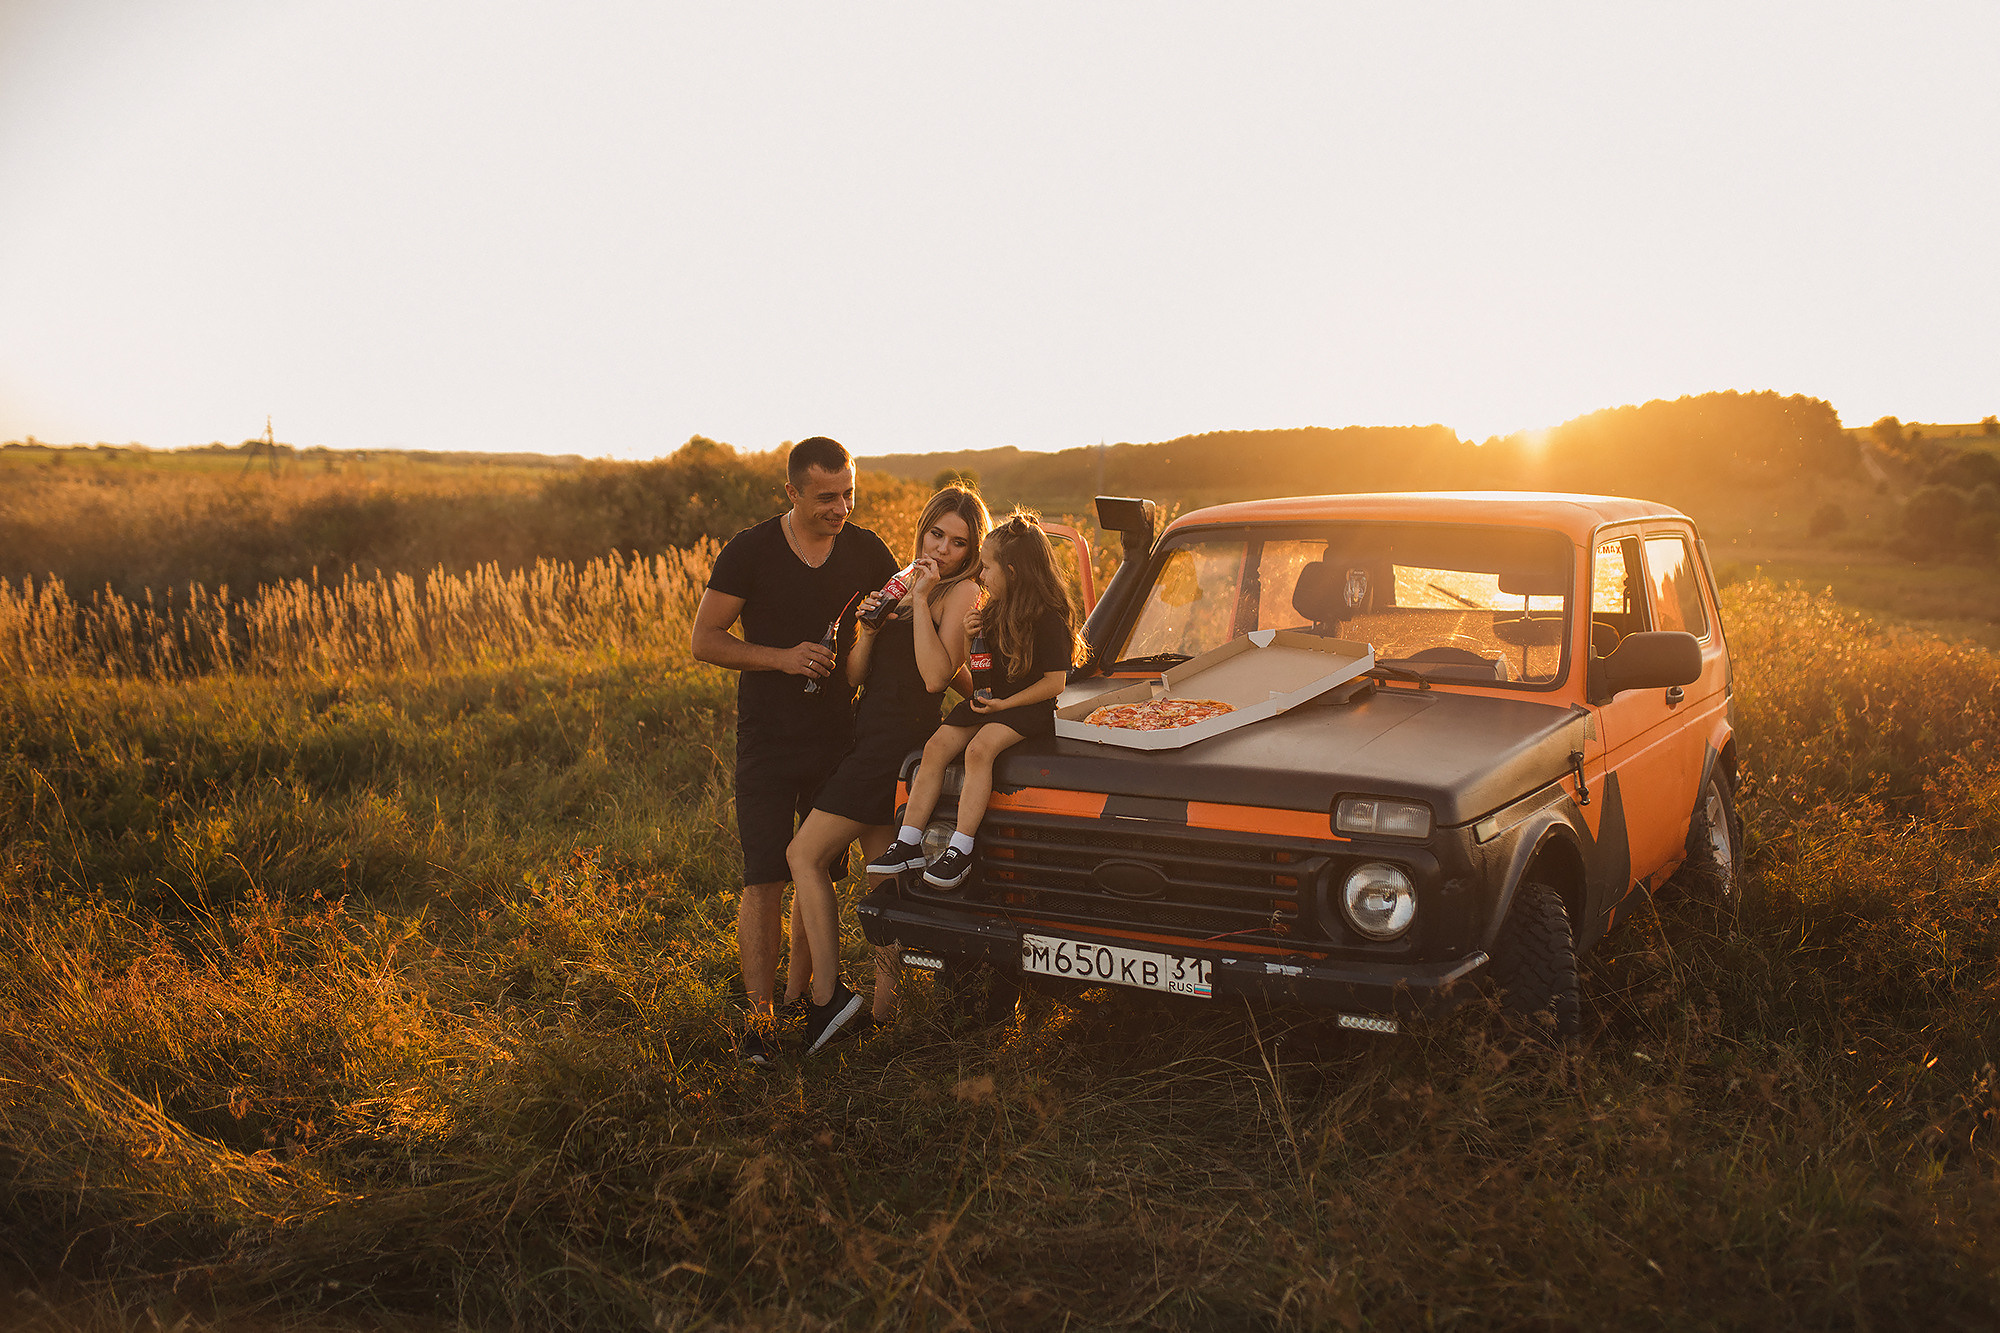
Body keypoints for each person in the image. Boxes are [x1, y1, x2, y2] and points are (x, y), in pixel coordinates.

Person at [691, 437, 899, 1066]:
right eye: (827, 497)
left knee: (820, 874)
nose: (841, 508)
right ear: (792, 492)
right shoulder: (750, 550)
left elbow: (908, 609)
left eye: (849, 494)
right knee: (764, 877)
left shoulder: (866, 551)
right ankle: (759, 1026)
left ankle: (803, 1002)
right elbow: (705, 639)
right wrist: (781, 659)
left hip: (837, 739)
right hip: (766, 740)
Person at [784, 487, 989, 1054]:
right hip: (867, 735)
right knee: (884, 883)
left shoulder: (961, 592)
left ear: (971, 552)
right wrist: (871, 629)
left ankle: (828, 999)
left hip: (896, 745)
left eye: (957, 542)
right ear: (922, 529)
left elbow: (934, 677)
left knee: (803, 855)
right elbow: (854, 677)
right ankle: (884, 1013)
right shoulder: (905, 586)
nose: (941, 549)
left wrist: (920, 601)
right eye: (935, 534)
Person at [870, 511, 1078, 893]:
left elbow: (1055, 684)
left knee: (979, 750)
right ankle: (908, 841)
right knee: (936, 746)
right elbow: (979, 669)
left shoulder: (1049, 617)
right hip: (990, 701)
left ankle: (960, 848)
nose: (980, 576)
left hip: (1027, 708)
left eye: (986, 567)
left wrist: (1005, 706)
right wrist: (969, 638)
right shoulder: (993, 608)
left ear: (1012, 571)